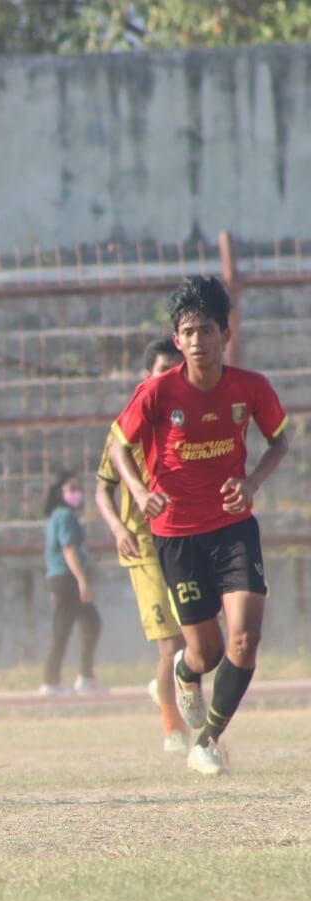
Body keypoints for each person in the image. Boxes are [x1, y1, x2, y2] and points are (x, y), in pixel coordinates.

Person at [109, 276, 291, 775]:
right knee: (206, 652)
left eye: (205, 330)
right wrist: (142, 492)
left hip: (233, 528)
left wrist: (252, 483)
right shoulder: (156, 392)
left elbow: (279, 440)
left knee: (245, 639)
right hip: (175, 533)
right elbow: (117, 446)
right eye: (186, 331)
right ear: (177, 338)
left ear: (225, 335)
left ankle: (207, 740)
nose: (195, 341)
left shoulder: (250, 388)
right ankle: (186, 674)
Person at [94, 338, 188, 750]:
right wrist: (119, 528)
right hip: (145, 548)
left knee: (196, 642)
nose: (169, 378)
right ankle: (172, 728)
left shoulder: (190, 423)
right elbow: (102, 490)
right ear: (147, 377)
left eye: (176, 370)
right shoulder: (126, 430)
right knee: (173, 644)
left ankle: (167, 692)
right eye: (162, 371)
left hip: (186, 539)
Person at [40, 472, 103, 696]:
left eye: (77, 488)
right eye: (71, 488)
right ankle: (51, 681)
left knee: (91, 622)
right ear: (60, 493)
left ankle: (86, 677)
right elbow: (68, 549)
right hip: (66, 579)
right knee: (62, 629)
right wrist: (82, 580)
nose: (76, 493)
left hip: (62, 579)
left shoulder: (60, 516)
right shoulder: (64, 515)